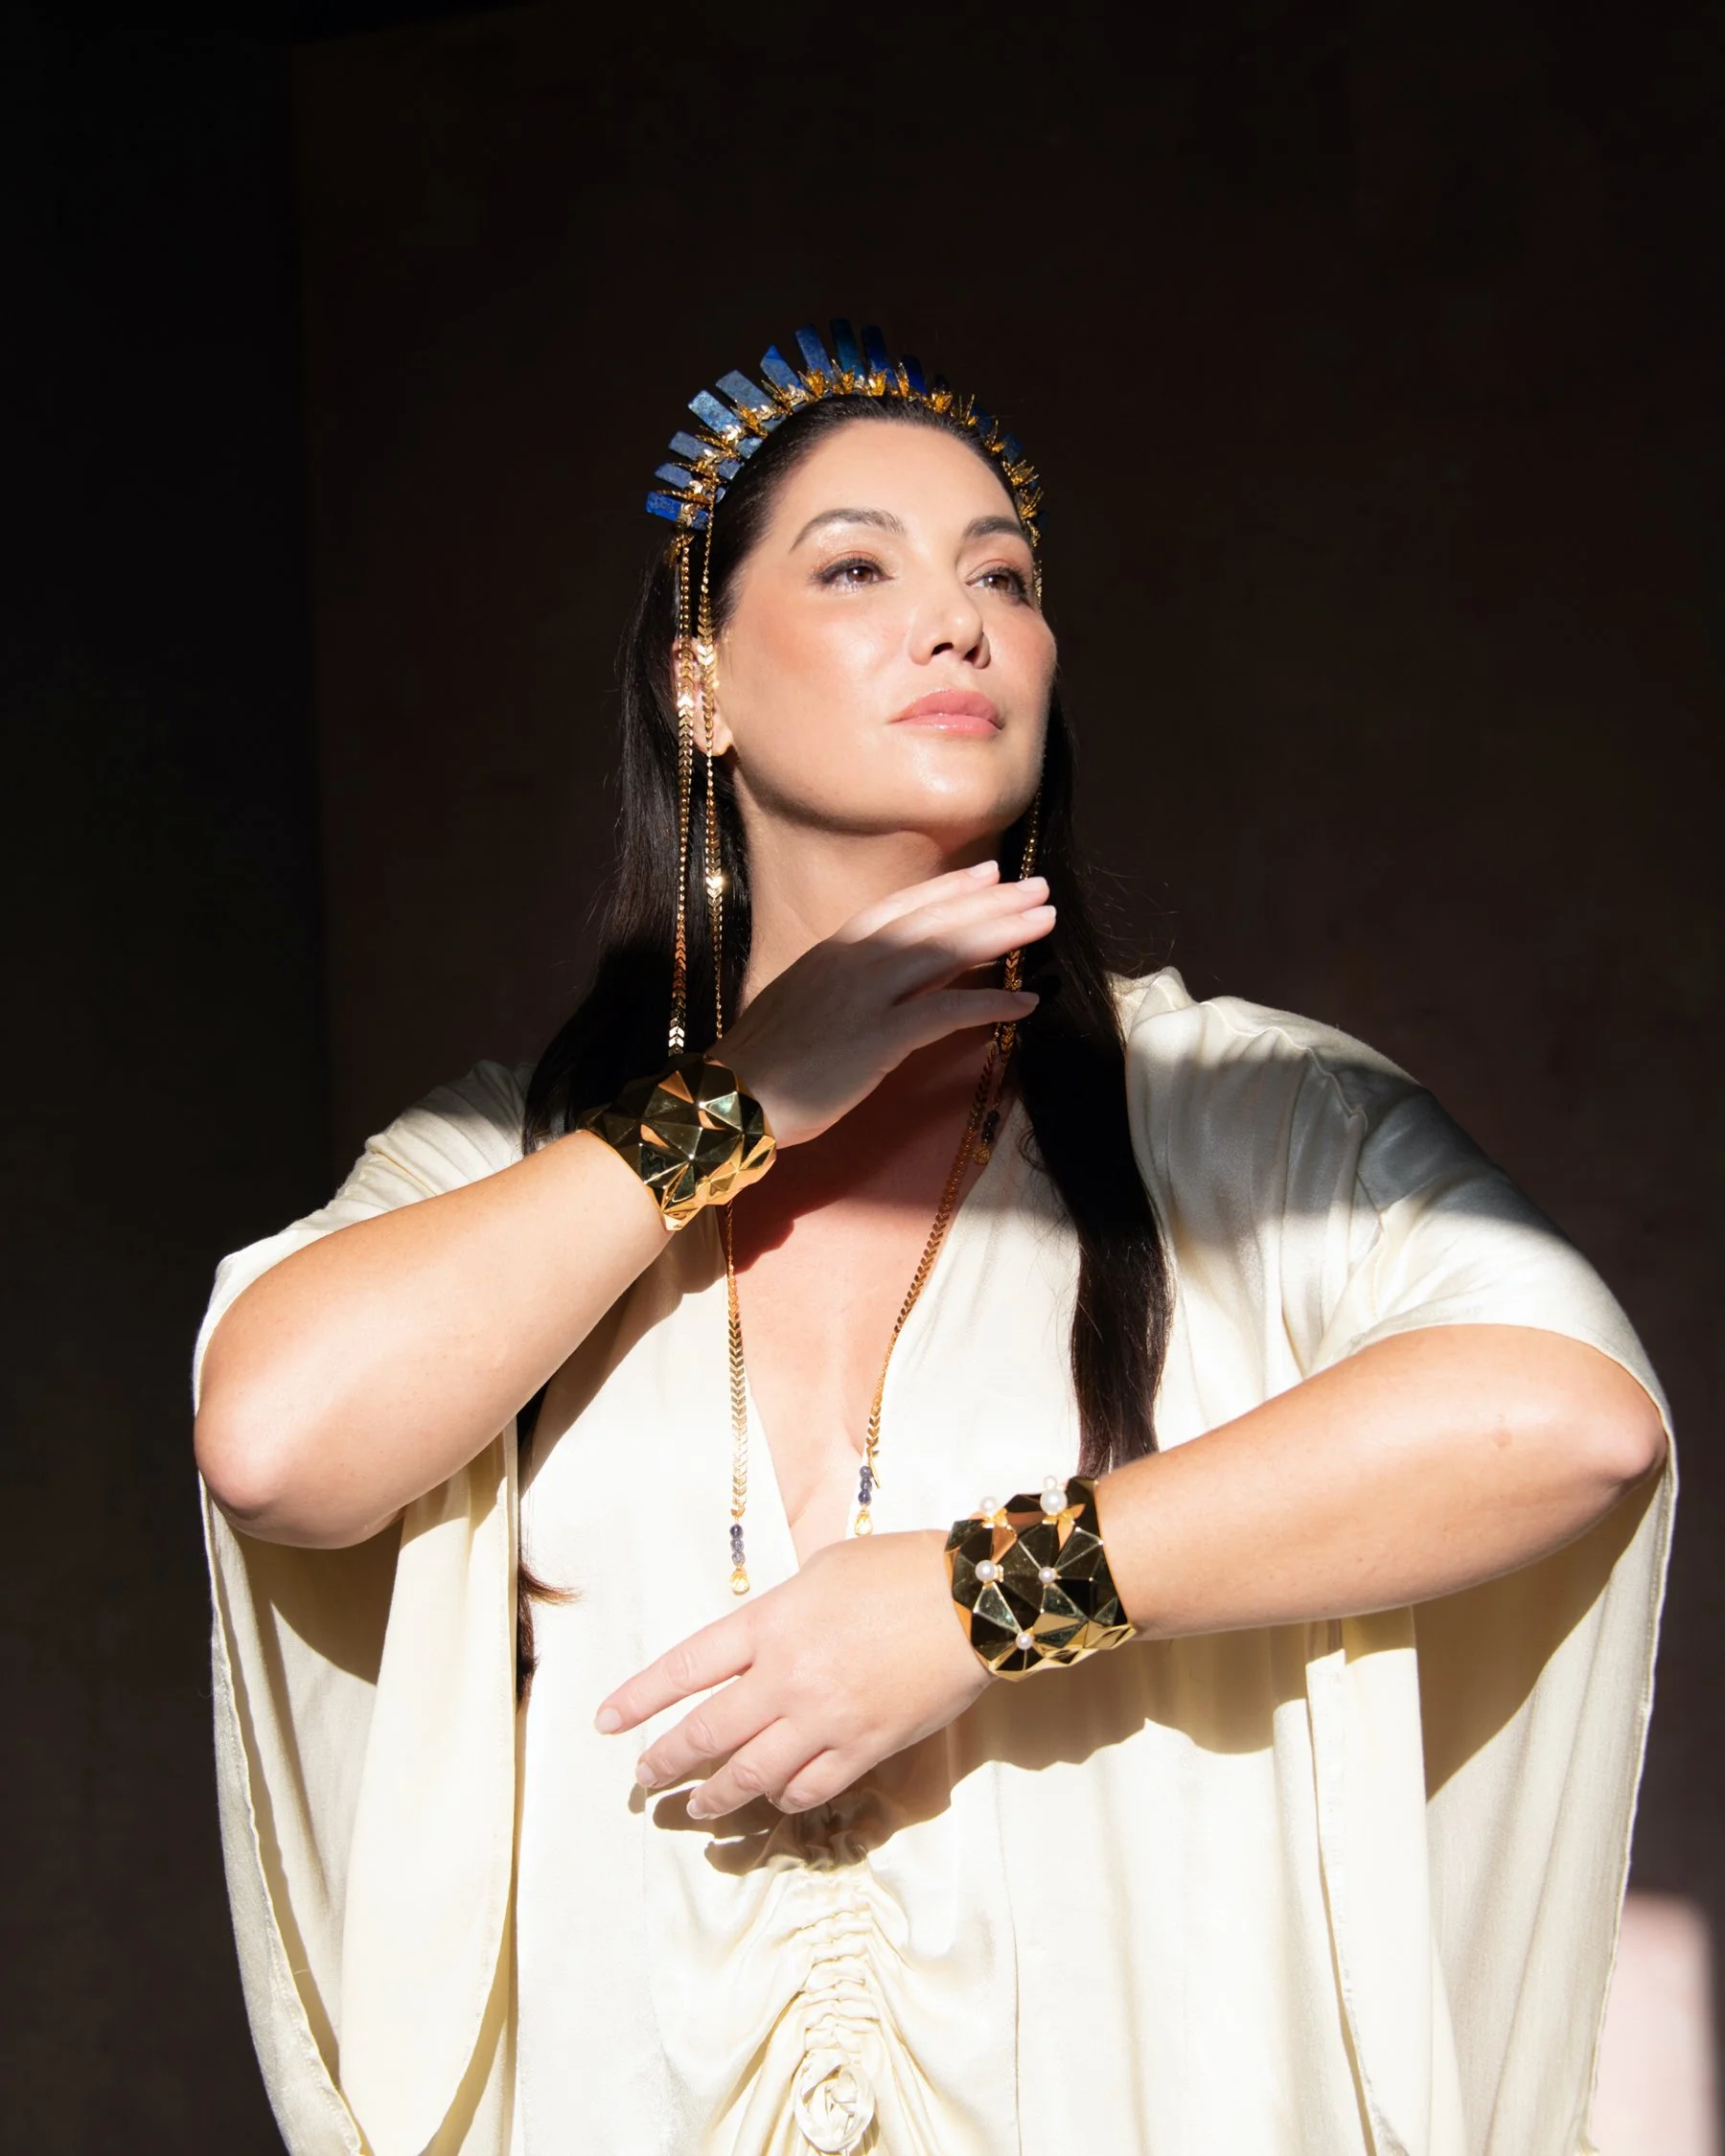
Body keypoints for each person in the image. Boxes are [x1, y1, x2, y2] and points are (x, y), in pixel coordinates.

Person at [192, 323, 1673, 2156]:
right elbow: (273, 1443)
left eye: (1006, 575)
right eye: (859, 567)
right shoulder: (502, 1159)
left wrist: (984, 1600)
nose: (962, 619)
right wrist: (734, 1106)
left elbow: (1570, 1411)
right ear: (701, 685)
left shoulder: (1240, 1115)